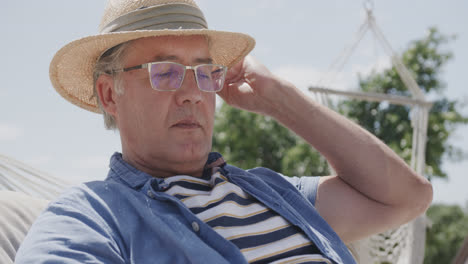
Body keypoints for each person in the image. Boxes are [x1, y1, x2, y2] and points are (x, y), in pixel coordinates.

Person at [15, 0, 433, 263]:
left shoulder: (274, 192)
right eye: (165, 72)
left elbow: (408, 198)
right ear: (109, 95)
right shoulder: (90, 217)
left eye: (204, 72)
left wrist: (283, 101)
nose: (193, 93)